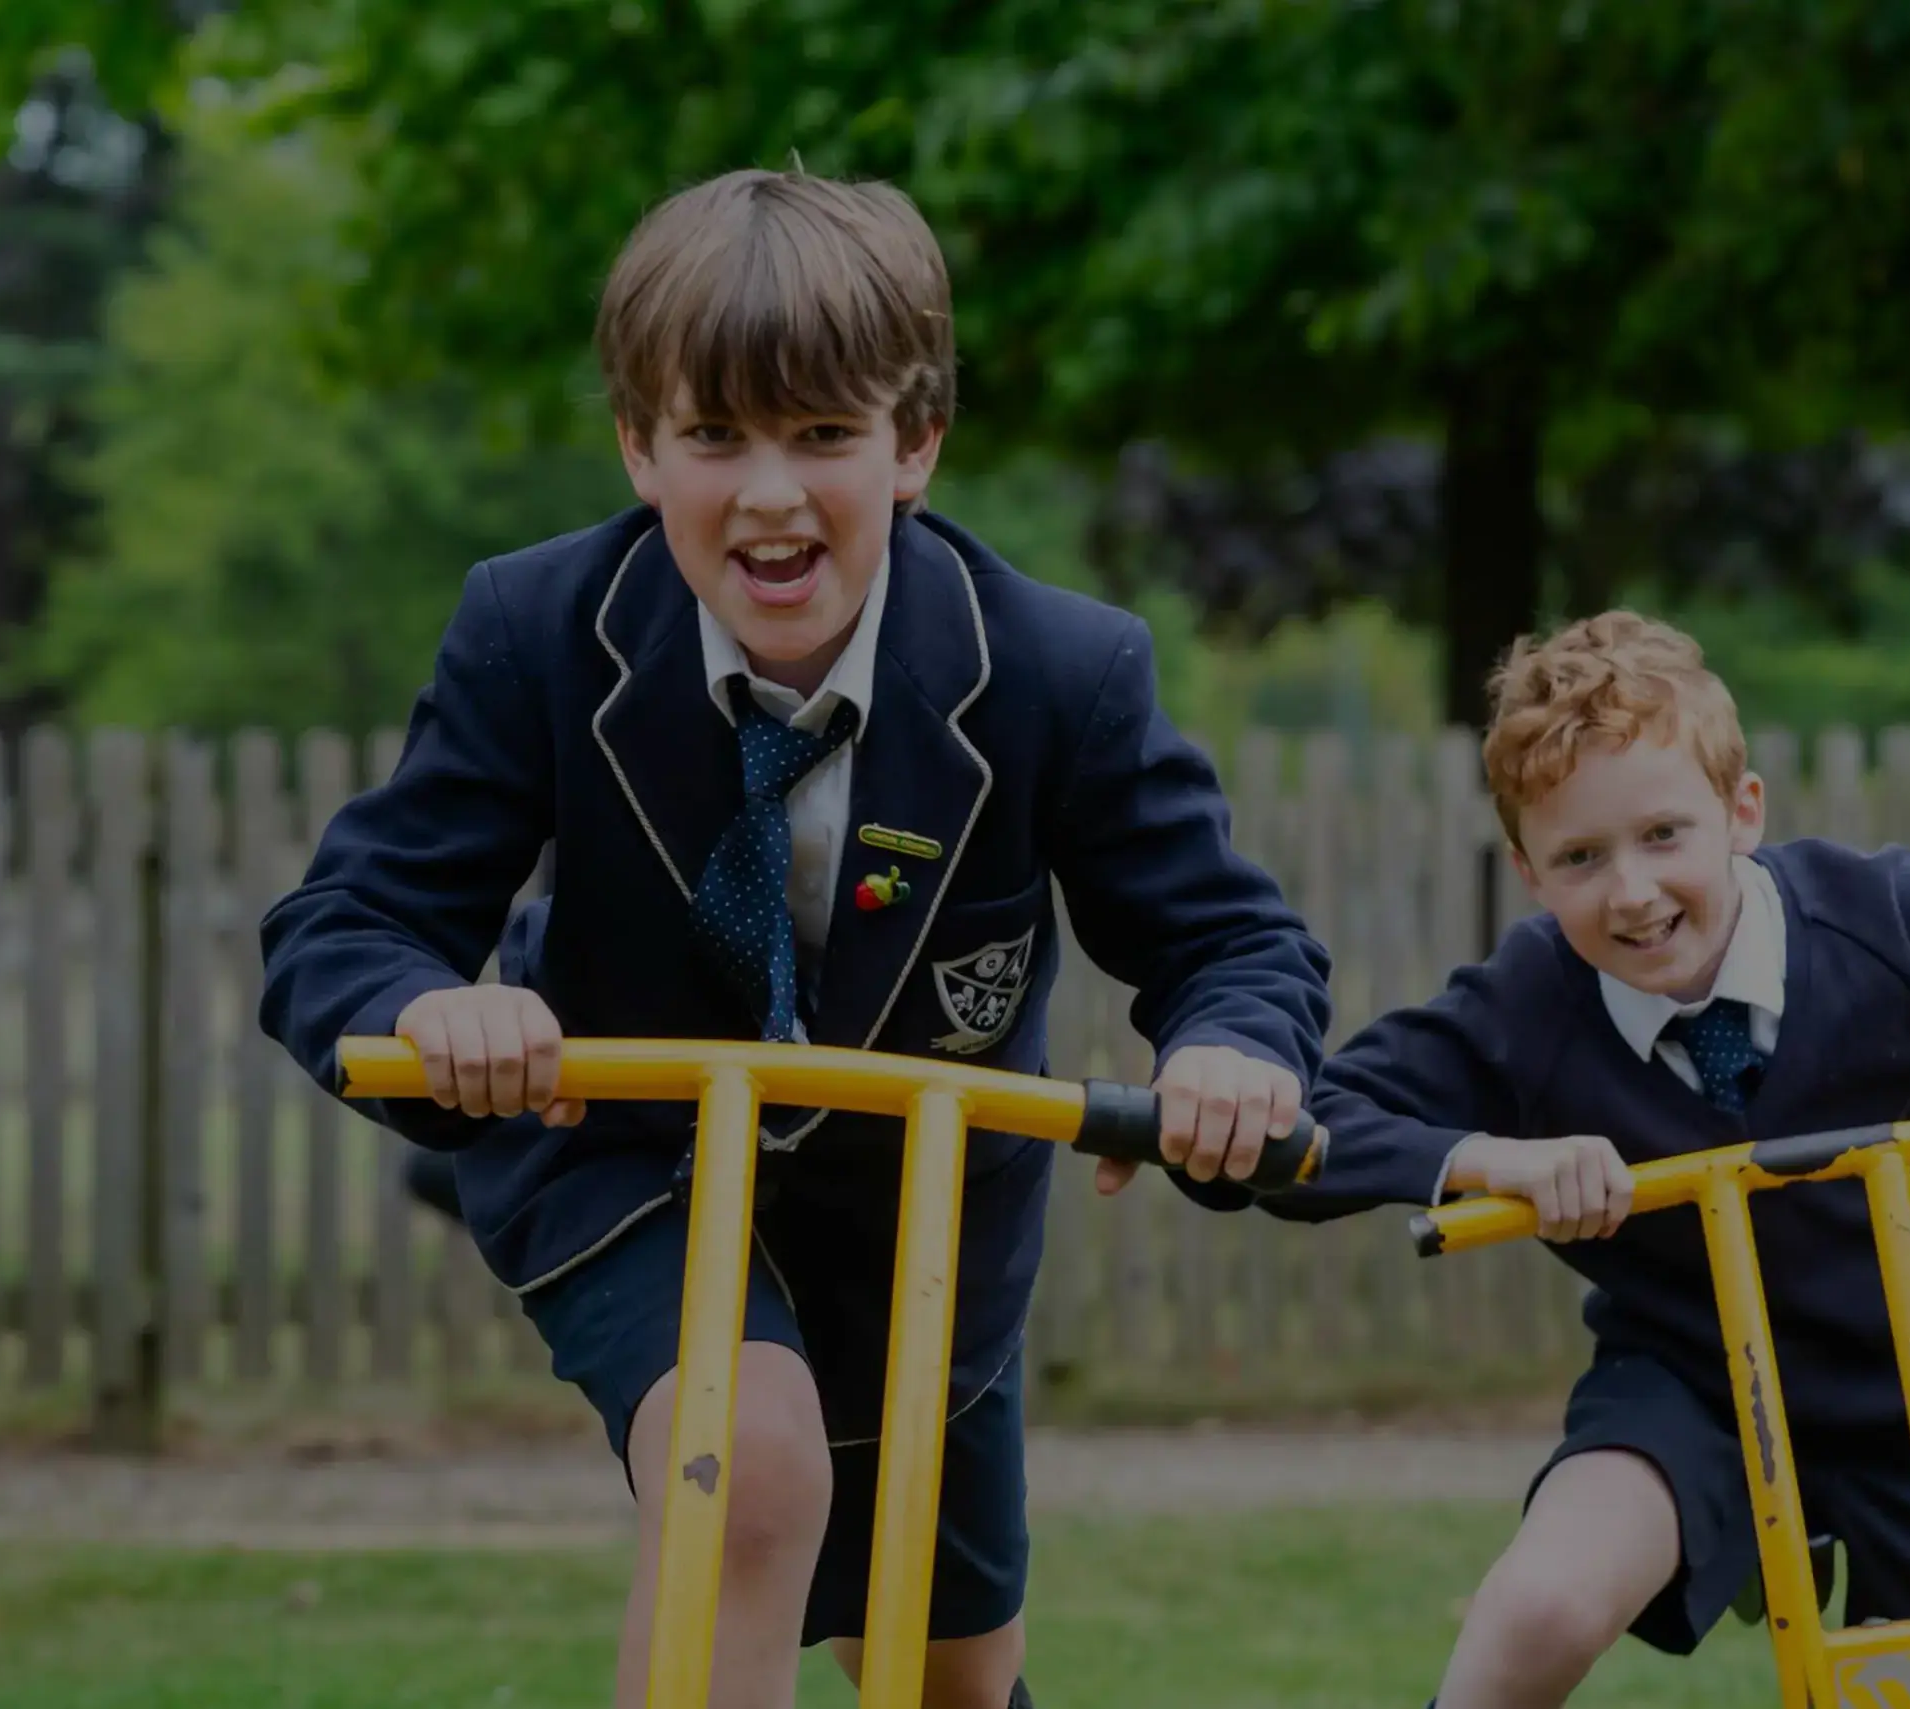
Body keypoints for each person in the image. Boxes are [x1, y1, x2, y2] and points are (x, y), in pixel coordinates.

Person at [257, 164, 1331, 1709]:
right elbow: (347, 918)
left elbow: (1231, 938)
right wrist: (434, 1007)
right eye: (715, 437)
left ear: (917, 443)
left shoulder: (1054, 672)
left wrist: (1231, 1047)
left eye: (824, 435)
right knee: (748, 1475)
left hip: (924, 1202)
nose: (770, 494)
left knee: (938, 1670)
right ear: (639, 445)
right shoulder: (536, 632)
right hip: (627, 1157)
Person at [1280, 611, 1910, 1708]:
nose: (1631, 891)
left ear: (1743, 811)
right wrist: (1490, 1158)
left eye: (1663, 835)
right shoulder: (1526, 1002)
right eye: (1580, 857)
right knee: (1541, 1603)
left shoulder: (1884, 918)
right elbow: (1310, 1126)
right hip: (1689, 1378)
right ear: (1526, 871)